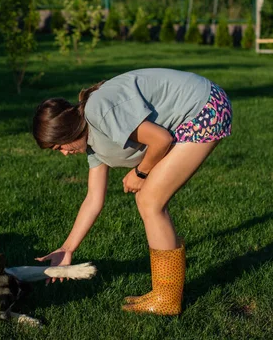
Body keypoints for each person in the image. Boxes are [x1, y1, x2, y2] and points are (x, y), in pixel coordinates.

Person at [32, 68, 232, 316]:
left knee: (150, 201)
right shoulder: (93, 144)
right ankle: (164, 294)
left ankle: (167, 299)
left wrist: (140, 173)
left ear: (67, 131)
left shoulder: (98, 111)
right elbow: (94, 199)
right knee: (149, 201)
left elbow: (160, 139)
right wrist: (67, 248)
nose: (63, 153)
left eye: (59, 146)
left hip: (204, 107)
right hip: (200, 107)